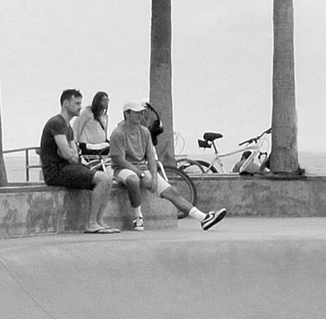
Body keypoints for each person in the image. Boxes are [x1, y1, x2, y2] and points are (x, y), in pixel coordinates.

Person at [109, 102, 226, 232]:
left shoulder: (145, 132)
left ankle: (203, 218)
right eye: (137, 113)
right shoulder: (117, 133)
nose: (140, 115)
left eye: (141, 112)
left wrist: (153, 177)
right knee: (133, 180)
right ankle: (138, 218)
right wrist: (141, 174)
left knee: (172, 191)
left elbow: (151, 157)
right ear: (127, 114)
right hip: (122, 170)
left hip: (143, 169)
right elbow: (119, 160)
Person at [39, 89, 121, 234]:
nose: (80, 107)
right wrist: (67, 153)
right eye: (76, 103)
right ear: (66, 103)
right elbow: (68, 154)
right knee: (102, 178)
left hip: (68, 167)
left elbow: (74, 156)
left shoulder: (68, 127)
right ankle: (91, 224)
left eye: (80, 103)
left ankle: (99, 221)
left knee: (107, 178)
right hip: (56, 172)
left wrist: (68, 153)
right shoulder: (56, 123)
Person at [72, 92, 112, 161]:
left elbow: (104, 131)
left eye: (107, 100)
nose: (106, 102)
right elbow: (77, 126)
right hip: (89, 146)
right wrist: (74, 143)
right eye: (103, 100)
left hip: (101, 146)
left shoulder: (105, 116)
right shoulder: (87, 112)